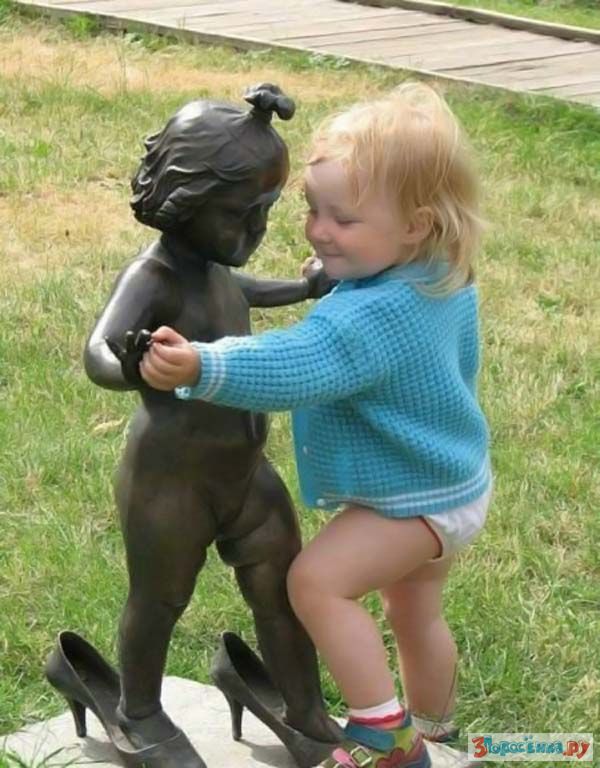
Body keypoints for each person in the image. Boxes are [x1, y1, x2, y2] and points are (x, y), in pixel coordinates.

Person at [140, 82, 492, 768]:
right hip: (454, 485)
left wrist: (202, 366)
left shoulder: (370, 317)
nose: (318, 230)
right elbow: (382, 322)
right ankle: (435, 726)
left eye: (343, 220)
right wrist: (343, 270)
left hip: (410, 503)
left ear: (414, 225)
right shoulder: (441, 272)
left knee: (316, 583)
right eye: (312, 209)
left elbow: (298, 362)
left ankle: (387, 739)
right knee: (415, 611)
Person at [80, 83, 341, 765]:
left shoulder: (217, 270)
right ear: (184, 200)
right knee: (159, 599)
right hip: (171, 482)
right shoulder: (154, 274)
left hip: (246, 471)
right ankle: (137, 709)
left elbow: (244, 291)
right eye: (240, 215)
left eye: (266, 212)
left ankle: (304, 707)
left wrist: (305, 287)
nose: (255, 231)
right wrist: (133, 366)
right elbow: (97, 351)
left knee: (282, 590)